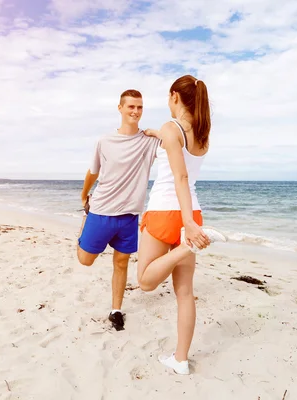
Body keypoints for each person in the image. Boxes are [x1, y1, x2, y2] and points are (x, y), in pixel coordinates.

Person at [137, 75, 227, 375]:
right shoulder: (202, 135)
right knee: (185, 292)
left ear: (175, 96)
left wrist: (186, 225)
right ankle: (180, 359)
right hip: (194, 212)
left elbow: (180, 177)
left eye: (167, 96)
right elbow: (183, 160)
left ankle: (184, 248)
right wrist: (191, 220)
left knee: (146, 281)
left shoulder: (171, 128)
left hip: (167, 212)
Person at [77, 89, 160, 331]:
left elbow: (173, 137)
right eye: (131, 106)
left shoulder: (149, 141)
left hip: (129, 216)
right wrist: (84, 195)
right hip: (101, 210)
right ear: (120, 108)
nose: (136, 111)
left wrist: (153, 131)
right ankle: (83, 224)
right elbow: (93, 171)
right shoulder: (105, 141)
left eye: (140, 107)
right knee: (85, 261)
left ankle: (116, 310)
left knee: (121, 263)